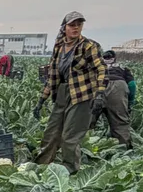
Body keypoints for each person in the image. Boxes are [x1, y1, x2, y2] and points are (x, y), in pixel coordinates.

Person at [33, 11, 106, 172]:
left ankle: (70, 171)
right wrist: (41, 100)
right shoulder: (59, 47)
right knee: (51, 133)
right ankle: (40, 168)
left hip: (81, 95)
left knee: (70, 137)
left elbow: (101, 69)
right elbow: (52, 76)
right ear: (64, 27)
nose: (76, 28)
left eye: (79, 25)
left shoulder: (89, 46)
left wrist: (100, 93)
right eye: (72, 25)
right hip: (62, 93)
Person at [100, 49, 135, 148]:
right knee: (120, 123)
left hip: (98, 85)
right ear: (114, 58)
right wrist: (130, 100)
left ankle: (85, 150)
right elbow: (132, 84)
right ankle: (122, 150)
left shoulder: (96, 67)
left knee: (87, 122)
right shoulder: (123, 68)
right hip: (118, 87)